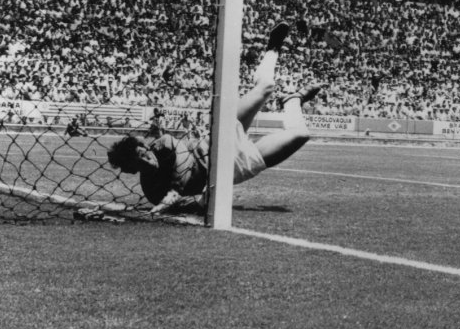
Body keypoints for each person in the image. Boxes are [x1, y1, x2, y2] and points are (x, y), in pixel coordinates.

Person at [106, 22, 322, 212]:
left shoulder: (162, 145)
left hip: (216, 138)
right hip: (231, 166)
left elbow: (182, 157)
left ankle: (273, 48)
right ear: (132, 170)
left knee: (266, 86)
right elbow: (196, 204)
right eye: (141, 163)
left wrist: (175, 190)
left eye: (143, 154)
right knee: (301, 134)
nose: (148, 160)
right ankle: (293, 102)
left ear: (144, 147)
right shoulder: (153, 191)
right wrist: (186, 202)